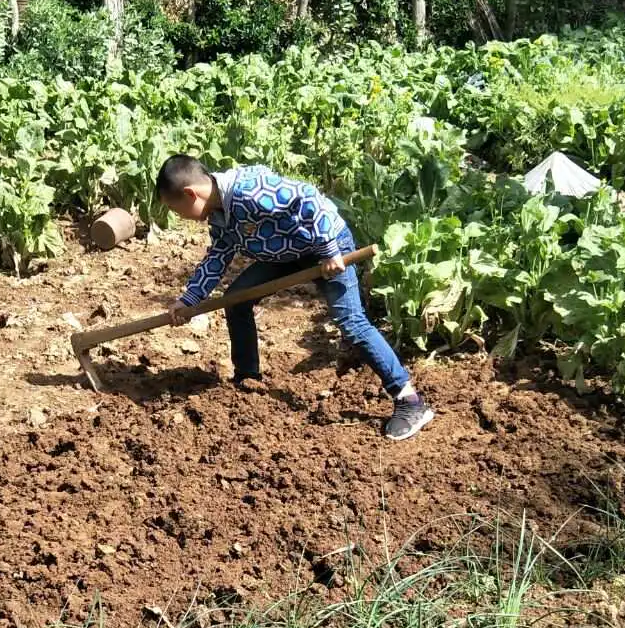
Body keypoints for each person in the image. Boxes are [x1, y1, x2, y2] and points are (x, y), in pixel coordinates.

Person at [157, 154, 433, 441]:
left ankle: (409, 400)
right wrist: (190, 299)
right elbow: (218, 256)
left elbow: (308, 198)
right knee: (236, 300)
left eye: (177, 211)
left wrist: (327, 249)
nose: (181, 218)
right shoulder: (218, 215)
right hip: (286, 255)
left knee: (351, 322)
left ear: (190, 194)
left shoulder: (248, 189)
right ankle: (247, 379)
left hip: (326, 246)